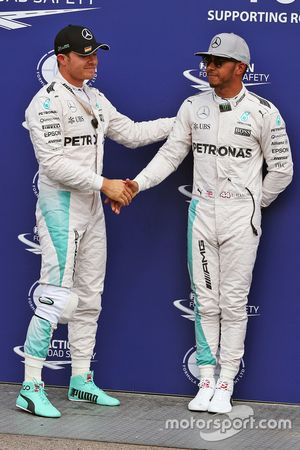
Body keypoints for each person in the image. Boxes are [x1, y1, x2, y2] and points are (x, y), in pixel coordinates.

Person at [113, 33, 293, 413]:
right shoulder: (194, 107)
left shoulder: (264, 112)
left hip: (240, 220)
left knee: (233, 301)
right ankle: (206, 379)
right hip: (201, 214)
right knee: (206, 301)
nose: (209, 66)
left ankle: (226, 382)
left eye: (218, 61)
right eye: (207, 60)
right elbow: (170, 155)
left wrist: (252, 205)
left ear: (240, 68)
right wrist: (137, 184)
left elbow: (282, 170)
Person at [16, 24, 174, 418]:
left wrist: (183, 121)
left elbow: (134, 134)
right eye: (83, 54)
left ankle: (80, 380)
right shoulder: (45, 103)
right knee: (55, 296)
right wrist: (105, 184)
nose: (93, 59)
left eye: (95, 53)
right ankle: (30, 386)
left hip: (91, 210)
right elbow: (52, 165)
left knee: (89, 298)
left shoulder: (96, 99)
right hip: (60, 209)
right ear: (61, 59)